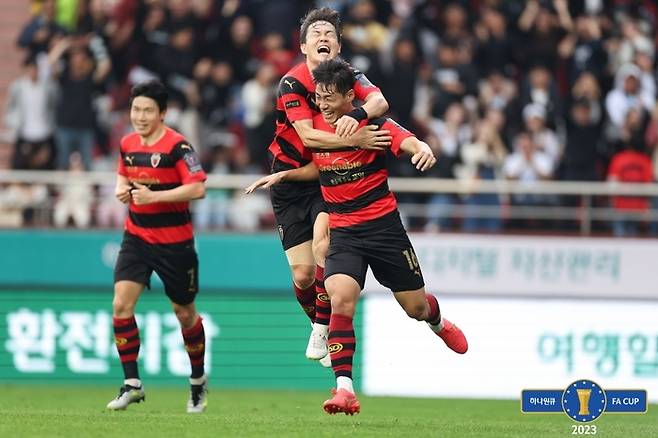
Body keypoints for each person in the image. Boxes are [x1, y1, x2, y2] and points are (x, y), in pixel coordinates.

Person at [247, 58, 468, 415]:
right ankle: (344, 390)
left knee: (415, 307)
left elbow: (404, 138)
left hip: (384, 230)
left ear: (350, 96)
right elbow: (317, 164)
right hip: (345, 230)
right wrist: (283, 177)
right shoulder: (317, 127)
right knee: (341, 298)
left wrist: (421, 149)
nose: (321, 104)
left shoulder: (373, 125)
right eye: (317, 97)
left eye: (329, 98)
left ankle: (437, 322)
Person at [267, 7, 391, 366]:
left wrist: (356, 119)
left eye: (330, 34)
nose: (323, 38)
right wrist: (359, 140)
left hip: (326, 176)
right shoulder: (290, 83)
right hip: (291, 179)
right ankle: (318, 323)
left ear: (338, 45)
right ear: (304, 46)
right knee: (303, 274)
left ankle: (324, 326)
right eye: (316, 34)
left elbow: (379, 101)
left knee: (324, 246)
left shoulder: (347, 76)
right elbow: (307, 135)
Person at [106, 80, 209, 413]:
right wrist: (122, 188)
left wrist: (155, 197)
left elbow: (197, 189)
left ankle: (197, 381)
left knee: (184, 313)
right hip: (136, 238)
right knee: (121, 305)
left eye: (148, 110)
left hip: (175, 244)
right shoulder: (127, 143)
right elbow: (122, 175)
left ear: (162, 113)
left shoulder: (179, 148)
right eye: (136, 109)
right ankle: (132, 383)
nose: (140, 116)